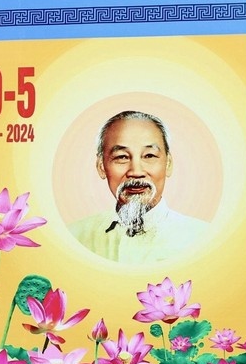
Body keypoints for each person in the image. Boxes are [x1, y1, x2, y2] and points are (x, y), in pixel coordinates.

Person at [68, 110, 209, 263]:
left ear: (168, 164)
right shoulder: (74, 237)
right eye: (122, 157)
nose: (136, 172)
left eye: (149, 156)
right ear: (101, 166)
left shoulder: (203, 238)